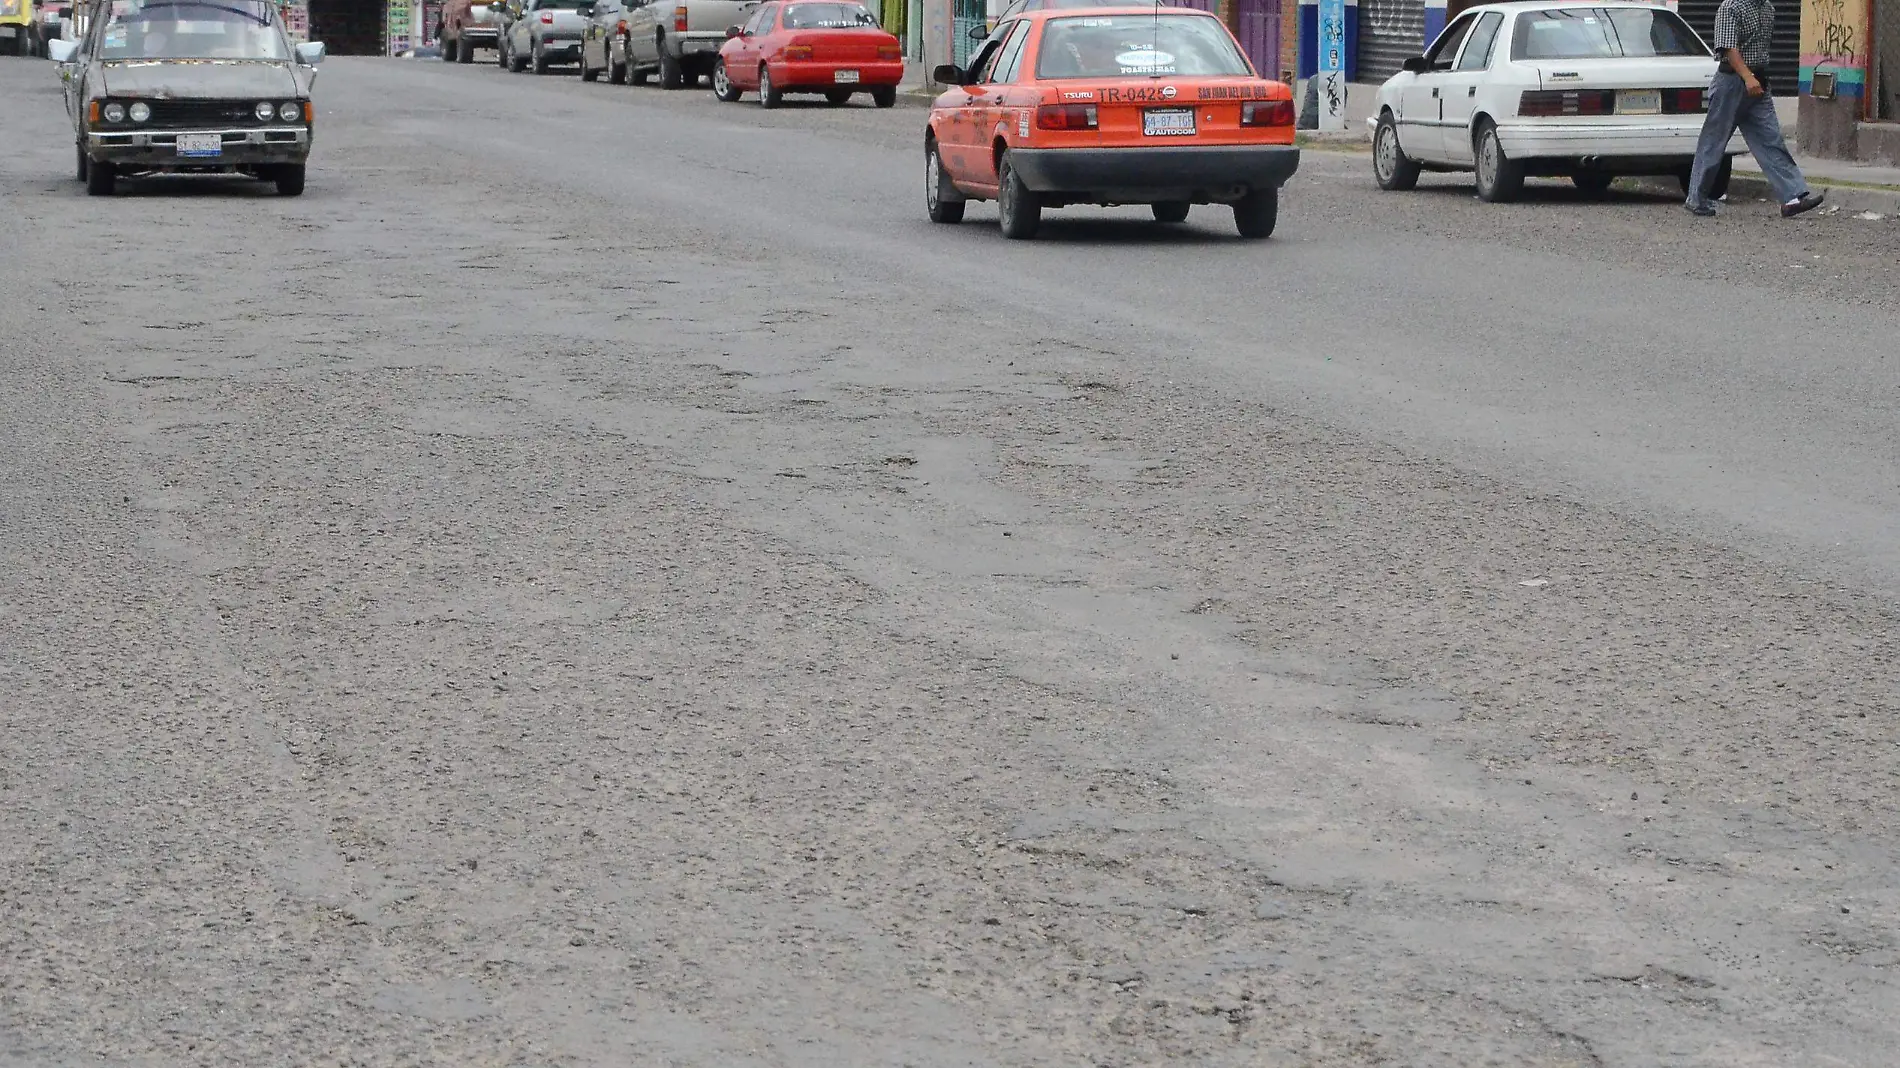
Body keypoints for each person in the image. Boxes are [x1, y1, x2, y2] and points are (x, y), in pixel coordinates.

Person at [1684, 0, 1824, 218]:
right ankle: (1696, 198)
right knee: (1714, 141)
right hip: (1731, 82)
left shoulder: (1768, 8)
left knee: (1771, 140)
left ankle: (1792, 197)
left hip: (1757, 84)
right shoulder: (1731, 7)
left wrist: (1757, 79)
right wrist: (1747, 77)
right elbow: (1729, 48)